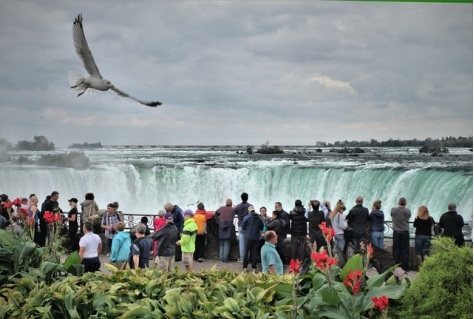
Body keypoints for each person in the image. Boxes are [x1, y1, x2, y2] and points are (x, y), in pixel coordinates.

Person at [390, 197, 411, 271]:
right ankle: (405, 267)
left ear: (398, 203)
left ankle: (396, 265)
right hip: (405, 232)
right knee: (405, 250)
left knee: (396, 249)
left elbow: (392, 215)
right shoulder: (407, 211)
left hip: (396, 232)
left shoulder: (393, 210)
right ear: (405, 203)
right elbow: (409, 216)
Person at [242, 206, 264, 273]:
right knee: (254, 252)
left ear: (249, 211)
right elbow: (262, 227)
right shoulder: (259, 217)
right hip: (256, 237)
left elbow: (243, 227)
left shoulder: (246, 217)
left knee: (246, 252)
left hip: (248, 237)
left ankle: (245, 267)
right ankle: (254, 268)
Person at [215, 198, 236, 263]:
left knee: (221, 243)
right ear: (231, 204)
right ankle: (225, 259)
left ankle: (221, 259)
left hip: (221, 226)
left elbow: (216, 212)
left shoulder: (221, 208)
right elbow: (236, 211)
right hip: (229, 226)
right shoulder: (233, 209)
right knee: (227, 243)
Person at [235, 192, 252, 263]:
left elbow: (235, 213)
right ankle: (247, 257)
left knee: (241, 242)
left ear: (241, 198)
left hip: (240, 225)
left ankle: (242, 258)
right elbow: (252, 214)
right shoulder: (250, 206)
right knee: (247, 242)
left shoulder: (238, 206)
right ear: (247, 198)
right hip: (248, 226)